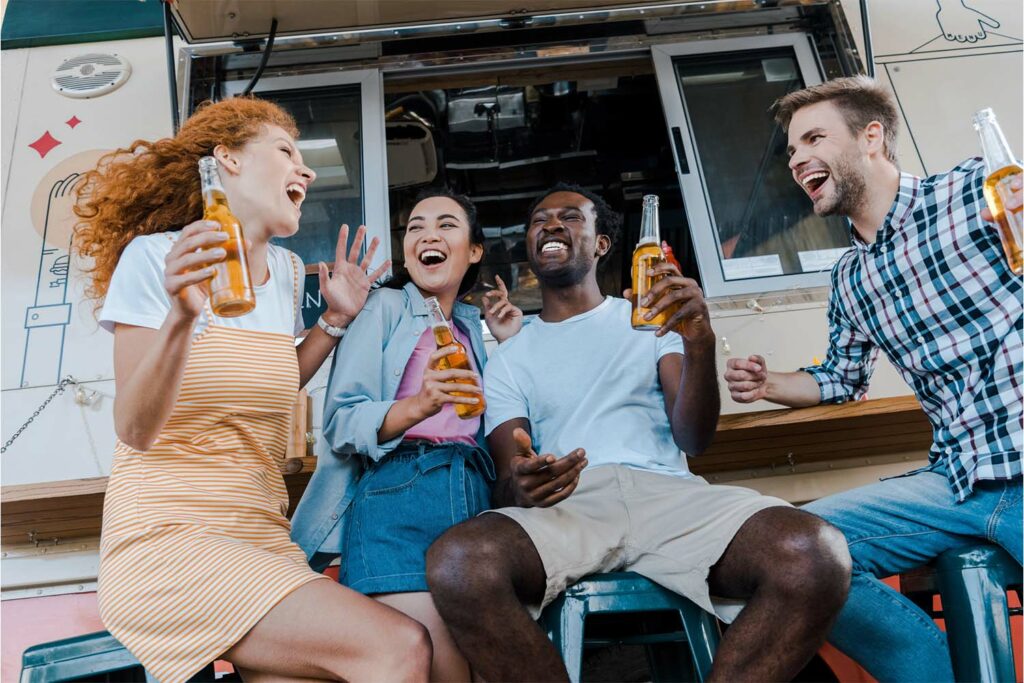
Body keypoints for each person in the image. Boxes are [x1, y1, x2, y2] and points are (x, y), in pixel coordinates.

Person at [424, 183, 852, 682]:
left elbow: (693, 438)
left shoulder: (650, 322)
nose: (552, 226)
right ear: (531, 249)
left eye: (571, 217)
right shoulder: (508, 357)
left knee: (815, 552)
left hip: (670, 497)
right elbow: (507, 478)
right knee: (458, 563)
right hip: (571, 509)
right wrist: (524, 485)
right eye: (540, 221)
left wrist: (699, 342)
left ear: (602, 244)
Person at [75, 97, 433, 683]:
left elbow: (270, 383)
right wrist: (182, 319)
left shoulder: (289, 274)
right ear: (227, 161)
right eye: (286, 151)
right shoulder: (159, 258)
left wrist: (334, 322)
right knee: (398, 648)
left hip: (261, 533)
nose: (306, 170)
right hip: (171, 537)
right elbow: (135, 429)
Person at [724, 75, 1023, 681]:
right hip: (958, 482)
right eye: (790, 150)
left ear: (872, 138)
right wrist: (770, 383)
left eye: (814, 138)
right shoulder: (851, 277)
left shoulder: (974, 191)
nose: (799, 158)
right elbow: (841, 377)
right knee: (794, 550)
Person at [291, 188, 523, 681]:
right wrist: (419, 405)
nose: (427, 235)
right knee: (440, 668)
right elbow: (341, 421)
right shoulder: (385, 307)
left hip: (478, 500)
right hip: (401, 496)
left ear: (474, 251)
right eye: (415, 227)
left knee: (488, 669)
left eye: (445, 225)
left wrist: (510, 345)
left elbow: (508, 425)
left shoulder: (471, 327)